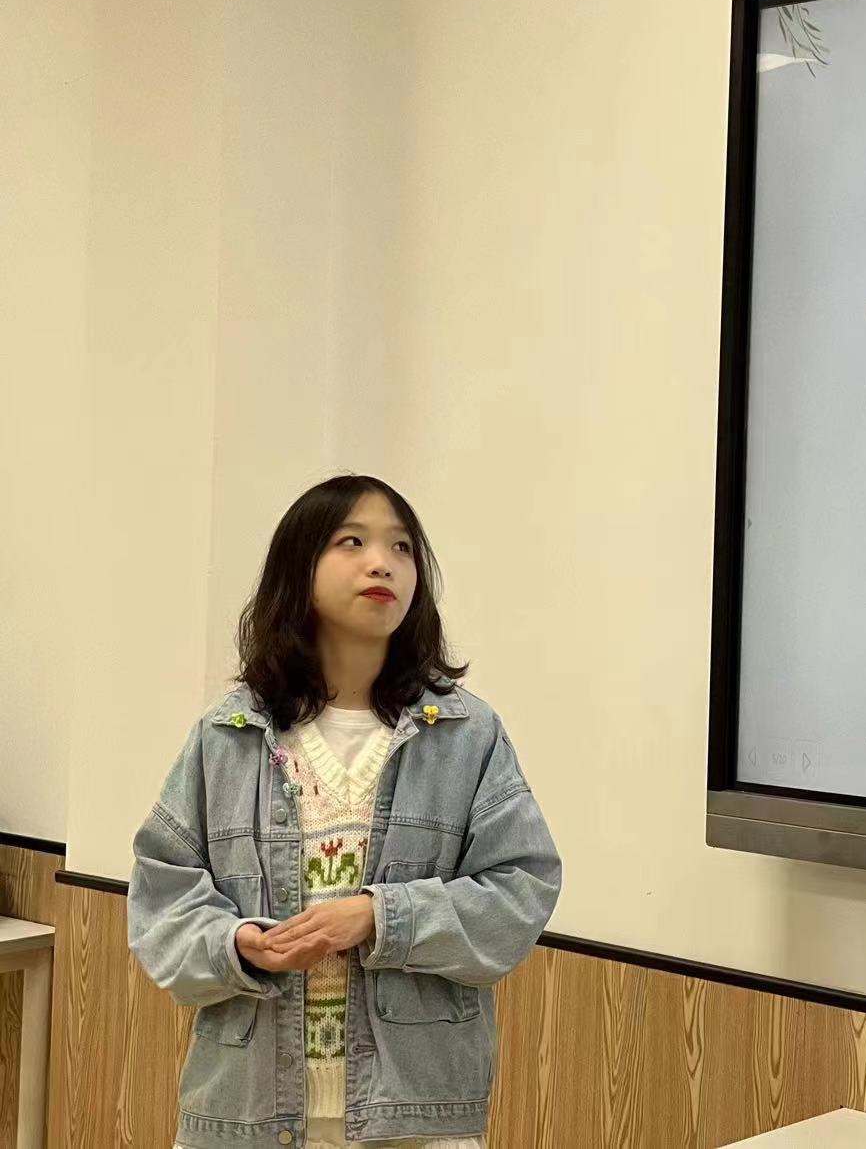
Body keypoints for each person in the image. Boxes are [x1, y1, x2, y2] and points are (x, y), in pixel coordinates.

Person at [128, 475, 561, 1149]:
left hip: (415, 1122)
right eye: (351, 541)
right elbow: (162, 902)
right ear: (298, 571)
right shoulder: (228, 734)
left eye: (402, 547)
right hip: (245, 1116)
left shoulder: (465, 734)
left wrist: (381, 917)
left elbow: (520, 892)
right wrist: (240, 945)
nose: (382, 563)